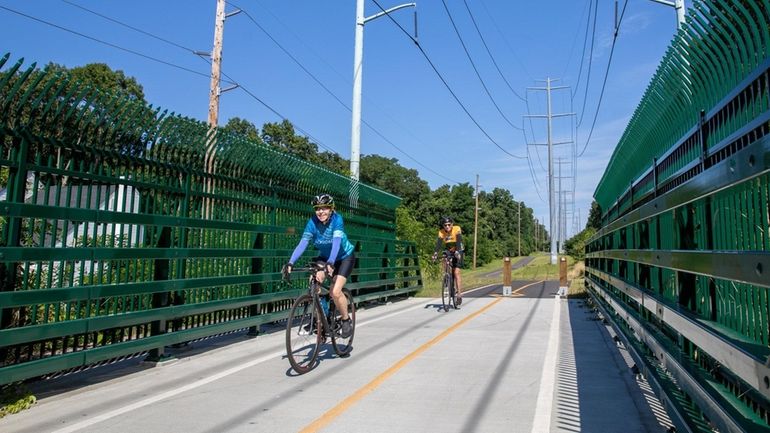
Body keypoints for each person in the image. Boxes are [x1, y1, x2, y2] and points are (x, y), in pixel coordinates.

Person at [284, 194, 355, 338]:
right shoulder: (312, 222)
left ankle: (346, 320)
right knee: (313, 284)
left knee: (335, 292)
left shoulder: (337, 220)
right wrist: (291, 262)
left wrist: (331, 262)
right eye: (317, 209)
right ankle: (322, 319)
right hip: (325, 257)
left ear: (331, 209)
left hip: (344, 257)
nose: (321, 212)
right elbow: (303, 243)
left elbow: (336, 242)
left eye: (324, 208)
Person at [432, 216, 464, 305]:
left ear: (452, 224)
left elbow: (458, 240)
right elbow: (439, 243)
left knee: (456, 272)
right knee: (443, 257)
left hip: (458, 249)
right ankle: (447, 276)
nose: (447, 226)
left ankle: (459, 295)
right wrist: (435, 253)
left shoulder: (457, 229)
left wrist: (457, 251)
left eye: (449, 225)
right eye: (445, 225)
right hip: (449, 250)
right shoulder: (441, 232)